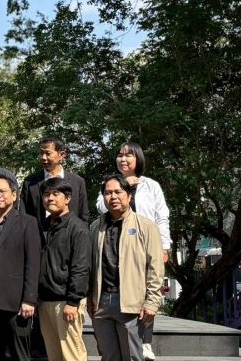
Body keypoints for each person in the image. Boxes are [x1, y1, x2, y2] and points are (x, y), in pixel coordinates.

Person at [95, 142, 171, 361]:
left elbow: (161, 216)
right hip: (116, 241)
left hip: (144, 240)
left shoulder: (151, 185)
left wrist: (164, 245)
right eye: (120, 155)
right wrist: (121, 187)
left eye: (129, 155)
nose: (123, 159)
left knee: (145, 287)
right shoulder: (110, 185)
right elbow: (101, 207)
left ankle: (145, 341)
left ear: (138, 158)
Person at [0, 173, 41, 361]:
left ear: (14, 194)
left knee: (18, 354)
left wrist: (29, 299)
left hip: (16, 303)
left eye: (2, 191)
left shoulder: (27, 222)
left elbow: (33, 263)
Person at [37, 177, 91, 361]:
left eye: (55, 194)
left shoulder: (78, 228)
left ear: (67, 198)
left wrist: (73, 302)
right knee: (54, 355)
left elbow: (81, 268)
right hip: (45, 301)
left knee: (72, 355)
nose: (50, 198)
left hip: (66, 302)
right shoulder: (43, 226)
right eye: (46, 194)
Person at [20, 136, 89, 235]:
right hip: (37, 238)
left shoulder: (77, 182)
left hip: (69, 238)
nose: (43, 157)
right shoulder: (30, 182)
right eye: (41, 153)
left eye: (48, 153)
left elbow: (83, 217)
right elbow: (23, 216)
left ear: (62, 155)